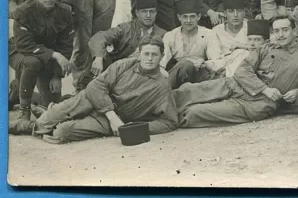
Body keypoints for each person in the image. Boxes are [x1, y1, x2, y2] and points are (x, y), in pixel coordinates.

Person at [19, 37, 179, 143]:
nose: (150, 58)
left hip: (109, 122)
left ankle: (45, 118)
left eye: (154, 55)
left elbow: (170, 122)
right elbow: (95, 86)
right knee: (48, 120)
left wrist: (135, 128)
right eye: (146, 54)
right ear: (139, 54)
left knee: (61, 133)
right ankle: (29, 123)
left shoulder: (162, 87)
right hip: (91, 101)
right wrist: (111, 115)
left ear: (162, 56)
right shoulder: (123, 65)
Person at [178, 16, 298, 127]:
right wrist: (264, 89)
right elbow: (242, 69)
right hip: (235, 85)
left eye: (285, 30)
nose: (280, 35)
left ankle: (165, 121)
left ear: (295, 31)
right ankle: (157, 109)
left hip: (256, 105)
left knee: (194, 113)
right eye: (276, 31)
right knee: (188, 91)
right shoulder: (266, 48)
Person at [8, 0, 74, 133]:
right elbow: (24, 44)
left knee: (51, 106)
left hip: (46, 58)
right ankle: (24, 110)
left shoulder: (64, 12)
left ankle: (19, 92)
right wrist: (55, 55)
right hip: (19, 52)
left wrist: (57, 75)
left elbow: (66, 46)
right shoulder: (23, 11)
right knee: (32, 62)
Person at [172, 18, 271, 112]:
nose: (252, 44)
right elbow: (220, 63)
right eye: (249, 40)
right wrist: (204, 63)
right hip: (214, 75)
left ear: (266, 42)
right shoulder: (240, 52)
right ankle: (162, 91)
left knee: (188, 91)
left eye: (257, 40)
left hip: (227, 85)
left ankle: (164, 102)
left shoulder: (265, 59)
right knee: (185, 65)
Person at [80, 0, 167, 90]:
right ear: (137, 13)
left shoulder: (163, 34)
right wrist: (98, 58)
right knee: (96, 51)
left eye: (151, 11)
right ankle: (85, 90)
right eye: (144, 11)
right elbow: (99, 38)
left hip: (146, 74)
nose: (148, 15)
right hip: (119, 70)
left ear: (156, 13)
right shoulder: (125, 28)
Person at [160, 0, 212, 89]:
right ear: (179, 17)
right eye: (185, 17)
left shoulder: (208, 34)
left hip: (199, 74)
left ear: (198, 17)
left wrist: (205, 64)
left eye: (192, 17)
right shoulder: (170, 35)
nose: (188, 21)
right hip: (177, 74)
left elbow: (215, 59)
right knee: (184, 65)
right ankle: (161, 91)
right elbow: (163, 61)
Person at [204, 0, 251, 78]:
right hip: (221, 73)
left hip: (246, 71)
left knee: (243, 53)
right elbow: (214, 58)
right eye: (231, 11)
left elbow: (259, 51)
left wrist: (241, 48)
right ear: (225, 13)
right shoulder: (216, 31)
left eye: (239, 11)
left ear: (244, 13)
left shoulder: (251, 28)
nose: (235, 15)